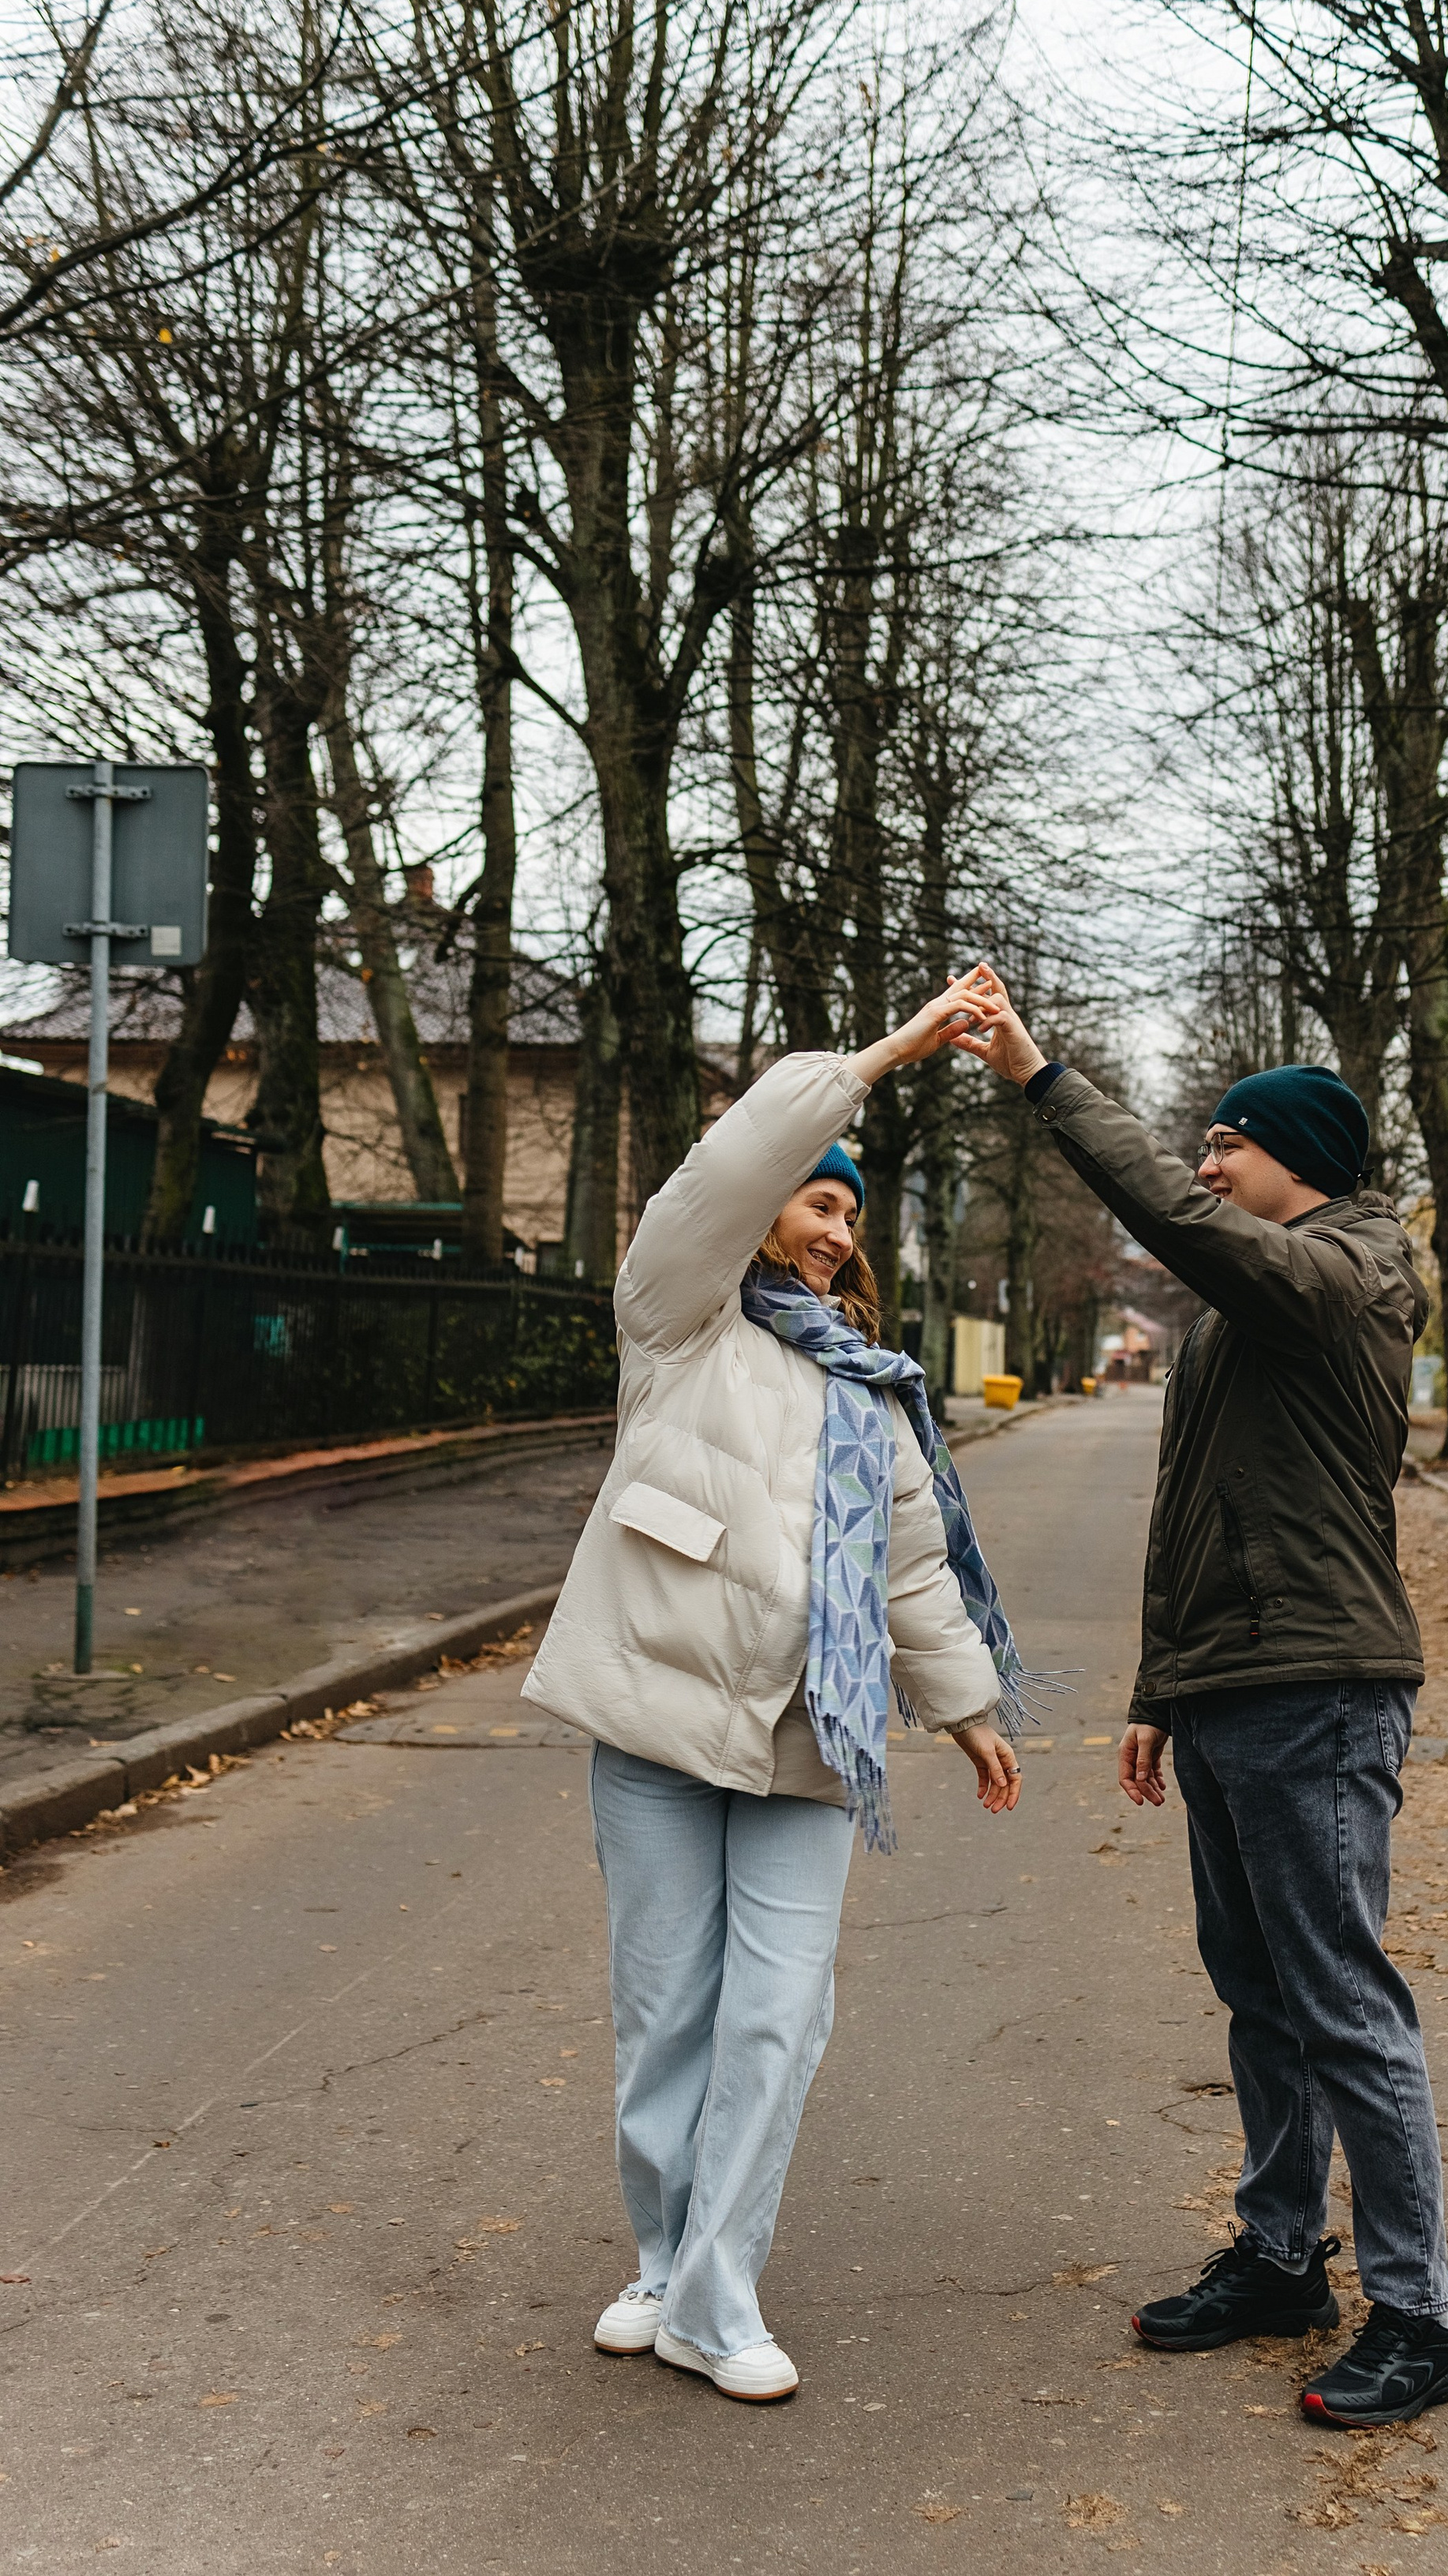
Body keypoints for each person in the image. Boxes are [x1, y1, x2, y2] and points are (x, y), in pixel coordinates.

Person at [953, 971, 1448, 2431]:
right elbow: (1194, 1508)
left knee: (1343, 2005)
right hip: (1232, 1690)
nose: (1206, 1167)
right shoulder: (1237, 1321)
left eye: (1227, 1145)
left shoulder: (1346, 1273)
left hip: (1322, 1692)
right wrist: (1155, 1687)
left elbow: (1183, 1226)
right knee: (1260, 1999)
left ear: (1293, 1155)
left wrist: (1043, 1078)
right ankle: (1281, 2255)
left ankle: (1420, 2313)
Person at [522, 975, 1031, 2405]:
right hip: (664, 1725)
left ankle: (716, 2295)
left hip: (816, 1742)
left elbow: (915, 1575)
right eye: (815, 1198)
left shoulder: (876, 1389)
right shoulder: (676, 1324)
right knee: (667, 2008)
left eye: (850, 1211)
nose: (833, 1224)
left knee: (775, 2016)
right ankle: (660, 2255)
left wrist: (974, 1712)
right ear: (757, 1211)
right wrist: (888, 1055)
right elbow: (716, 1170)